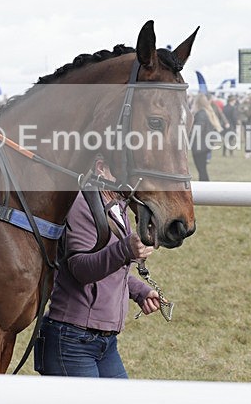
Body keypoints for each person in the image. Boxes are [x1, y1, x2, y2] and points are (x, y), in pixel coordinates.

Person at [36, 157, 161, 378]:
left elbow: (110, 267)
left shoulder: (117, 205)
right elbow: (81, 268)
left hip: (105, 342)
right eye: (122, 170)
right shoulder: (80, 205)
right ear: (101, 168)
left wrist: (140, 292)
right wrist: (125, 250)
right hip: (72, 341)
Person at [190, 93, 222, 181]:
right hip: (204, 144)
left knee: (201, 170)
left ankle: (204, 186)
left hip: (200, 145)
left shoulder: (201, 114)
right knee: (202, 169)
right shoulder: (206, 112)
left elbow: (198, 130)